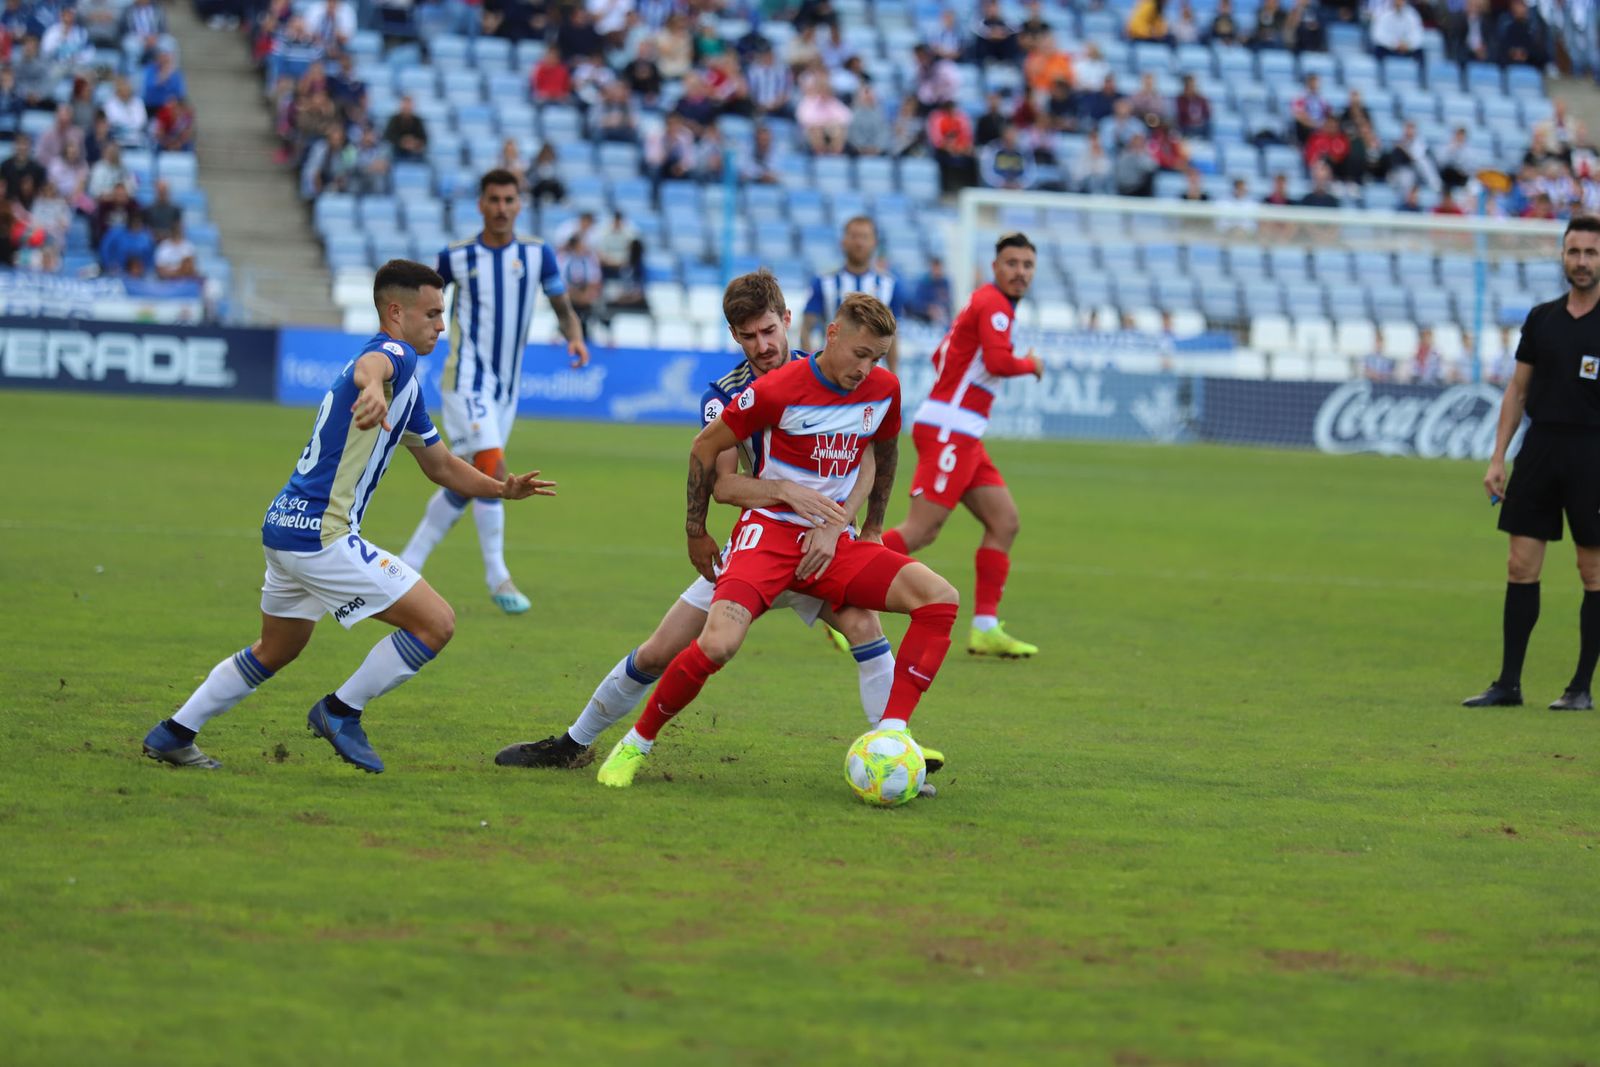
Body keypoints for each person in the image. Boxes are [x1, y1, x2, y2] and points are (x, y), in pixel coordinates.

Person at [140, 260, 558, 772]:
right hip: (322, 535)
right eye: (432, 313)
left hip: (284, 527)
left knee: (275, 649)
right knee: (437, 623)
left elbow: (441, 464)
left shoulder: (407, 385)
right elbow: (374, 366)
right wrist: (372, 388)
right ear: (396, 312)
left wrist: (502, 488)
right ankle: (340, 711)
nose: (442, 325)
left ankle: (173, 733)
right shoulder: (393, 355)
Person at [493, 272, 909, 770]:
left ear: (788, 322)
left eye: (769, 331)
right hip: (758, 549)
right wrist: (724, 516)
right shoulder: (726, 396)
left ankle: (892, 752)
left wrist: (844, 519)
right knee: (657, 652)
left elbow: (869, 455)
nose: (762, 345)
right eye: (748, 335)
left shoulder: (836, 372)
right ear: (734, 335)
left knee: (866, 627)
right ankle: (573, 744)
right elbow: (724, 484)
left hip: (822, 549)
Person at [592, 293, 960, 789]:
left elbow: (880, 451)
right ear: (833, 335)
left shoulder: (882, 388)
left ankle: (892, 739)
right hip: (765, 538)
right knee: (713, 645)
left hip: (831, 545)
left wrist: (864, 526)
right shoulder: (772, 389)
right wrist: (697, 531)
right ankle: (632, 743)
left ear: (787, 323)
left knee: (936, 600)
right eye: (860, 355)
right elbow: (707, 451)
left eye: (877, 357)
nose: (866, 367)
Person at [399, 170, 588, 616]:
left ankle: (408, 562)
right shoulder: (457, 257)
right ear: (480, 204)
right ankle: (496, 574)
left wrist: (574, 336)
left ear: (519, 204)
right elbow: (421, 301)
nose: (502, 208)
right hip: (467, 380)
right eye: (494, 200)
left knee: (467, 481)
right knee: (493, 466)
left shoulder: (538, 254)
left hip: (506, 390)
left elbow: (562, 306)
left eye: (509, 199)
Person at [880, 233, 1045, 659]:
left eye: (1027, 265)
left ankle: (985, 628)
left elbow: (942, 356)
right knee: (922, 530)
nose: (1020, 272)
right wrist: (1030, 364)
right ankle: (841, 592)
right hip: (951, 430)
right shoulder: (994, 305)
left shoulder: (984, 303)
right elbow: (996, 361)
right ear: (996, 267)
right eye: (1012, 263)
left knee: (1004, 521)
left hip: (962, 430)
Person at [1468, 216, 1600, 712]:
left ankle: (1581, 688)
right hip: (1540, 449)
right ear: (1562, 256)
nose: (1582, 261)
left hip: (1593, 453)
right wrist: (1498, 457)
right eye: (1574, 252)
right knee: (1519, 565)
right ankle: (1509, 684)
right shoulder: (1541, 318)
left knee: (1593, 571)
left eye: (1591, 253)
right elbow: (1517, 390)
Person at [801, 216, 904, 371]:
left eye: (864, 237)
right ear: (843, 241)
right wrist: (810, 370)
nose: (859, 243)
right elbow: (806, 329)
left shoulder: (890, 285)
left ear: (874, 242)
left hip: (874, 374)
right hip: (831, 373)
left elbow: (893, 336)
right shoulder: (823, 282)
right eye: (854, 236)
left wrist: (894, 376)